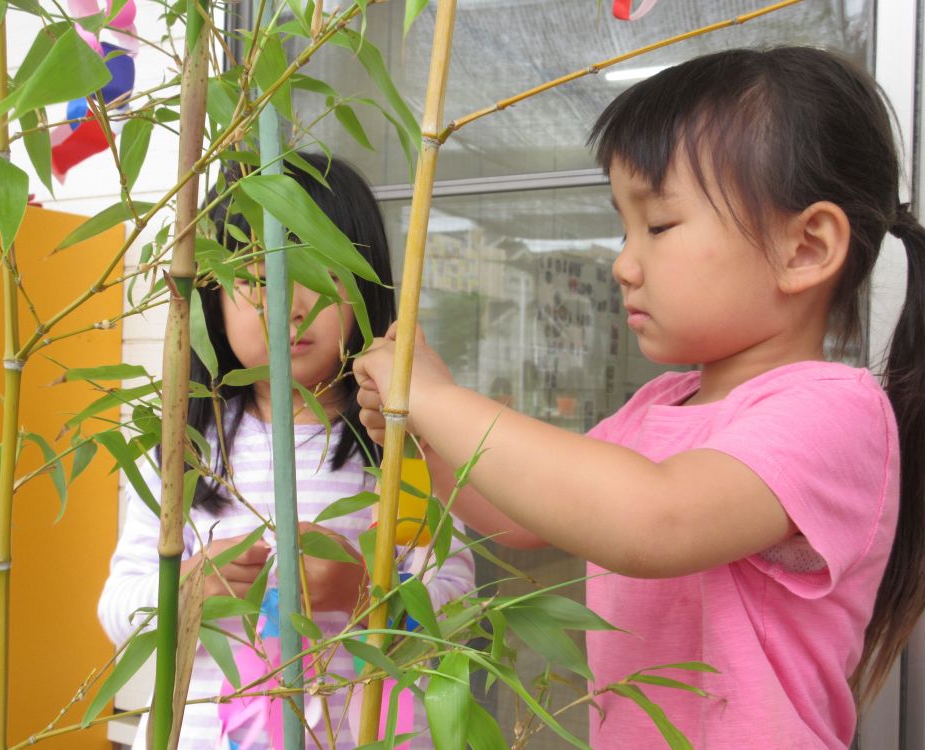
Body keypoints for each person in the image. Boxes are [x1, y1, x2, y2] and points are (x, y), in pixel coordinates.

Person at [354, 47, 925, 749]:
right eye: (625, 229)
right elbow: (523, 518)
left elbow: (654, 520)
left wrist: (440, 399)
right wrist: (423, 439)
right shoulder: (659, 405)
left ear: (805, 248)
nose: (623, 263)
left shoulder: (833, 410)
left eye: (658, 226)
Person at [98, 152, 475, 750]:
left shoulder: (398, 443)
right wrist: (190, 587)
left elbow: (456, 608)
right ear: (214, 295)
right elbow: (119, 612)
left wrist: (366, 594)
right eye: (257, 274)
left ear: (364, 283)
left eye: (320, 271)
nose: (291, 305)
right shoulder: (187, 451)